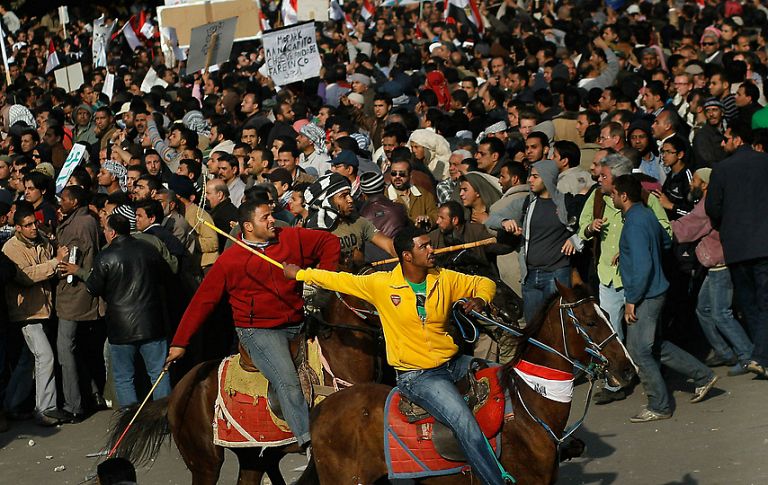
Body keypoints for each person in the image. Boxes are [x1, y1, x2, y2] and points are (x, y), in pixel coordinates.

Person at [283, 226, 504, 484]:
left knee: (505, 376)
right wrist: (299, 273)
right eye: (424, 246)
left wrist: (481, 299)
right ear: (407, 256)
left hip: (453, 363)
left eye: (429, 244)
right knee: (465, 425)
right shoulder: (382, 284)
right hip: (419, 377)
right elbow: (339, 280)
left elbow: (484, 282)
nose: (432, 250)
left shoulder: (443, 277)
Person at [166, 199, 341, 449]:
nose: (272, 220)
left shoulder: (290, 237)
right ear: (247, 227)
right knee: (288, 382)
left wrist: (322, 280)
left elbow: (329, 242)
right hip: (259, 331)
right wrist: (180, 342)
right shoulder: (230, 260)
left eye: (271, 215)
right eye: (265, 218)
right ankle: (310, 443)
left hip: (298, 320)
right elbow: (201, 302)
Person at [611, 175, 718, 422]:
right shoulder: (646, 214)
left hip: (645, 295)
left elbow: (643, 265)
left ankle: (659, 405)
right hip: (656, 290)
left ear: (623, 196)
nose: (612, 197)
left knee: (639, 351)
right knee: (655, 345)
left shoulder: (634, 223)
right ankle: (702, 376)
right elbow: (665, 241)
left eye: (614, 193)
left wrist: (631, 300)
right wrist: (628, 252)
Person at [65, 214, 173, 408]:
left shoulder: (106, 256)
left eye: (105, 229)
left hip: (121, 326)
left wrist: (80, 272)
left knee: (124, 377)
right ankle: (163, 417)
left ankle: (129, 420)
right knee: (159, 373)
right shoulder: (148, 250)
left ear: (112, 232)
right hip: (151, 322)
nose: (104, 233)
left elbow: (93, 288)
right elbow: (166, 276)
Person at [671, 168, 753, 375]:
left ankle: (747, 355)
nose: (692, 184)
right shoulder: (706, 203)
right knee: (704, 309)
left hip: (720, 266)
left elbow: (687, 228)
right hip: (714, 266)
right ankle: (725, 352)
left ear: (705, 184)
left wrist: (661, 227)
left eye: (696, 181)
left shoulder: (708, 206)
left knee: (720, 313)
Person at [706, 122, 768, 377]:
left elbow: (713, 209)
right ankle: (761, 356)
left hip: (736, 247)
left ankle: (761, 355)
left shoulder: (720, 169)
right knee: (764, 302)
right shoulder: (765, 162)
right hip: (764, 244)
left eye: (726, 138)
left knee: (750, 303)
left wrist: (728, 226)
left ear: (738, 139)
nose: (722, 143)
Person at [2, 202, 71, 426]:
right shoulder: (11, 248)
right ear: (18, 228)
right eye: (28, 225)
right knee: (45, 356)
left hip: (43, 309)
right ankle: (46, 408)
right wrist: (55, 262)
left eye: (35, 223)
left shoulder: (41, 241)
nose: (33, 227)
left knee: (28, 361)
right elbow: (25, 276)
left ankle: (11, 404)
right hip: (26, 313)